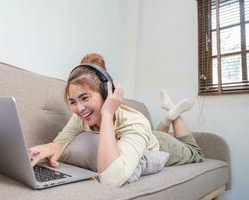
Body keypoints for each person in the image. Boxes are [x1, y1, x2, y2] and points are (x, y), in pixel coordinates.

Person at [29, 53, 204, 187]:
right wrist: (49, 147)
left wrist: (106, 113)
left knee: (195, 151)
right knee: (155, 133)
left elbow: (111, 178)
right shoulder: (81, 117)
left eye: (85, 98)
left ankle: (174, 114)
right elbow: (61, 142)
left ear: (107, 93)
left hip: (161, 144)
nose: (79, 109)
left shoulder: (134, 121)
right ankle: (168, 116)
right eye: (73, 102)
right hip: (145, 136)